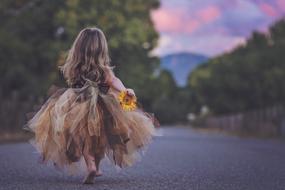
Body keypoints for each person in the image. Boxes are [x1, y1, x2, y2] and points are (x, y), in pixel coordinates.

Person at [25, 27, 159, 184]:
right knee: (101, 139)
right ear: (102, 49)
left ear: (78, 48)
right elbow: (114, 81)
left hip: (76, 104)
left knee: (82, 137)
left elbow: (73, 83)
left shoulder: (74, 67)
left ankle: (91, 166)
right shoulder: (104, 70)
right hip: (103, 107)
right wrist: (124, 91)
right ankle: (97, 165)